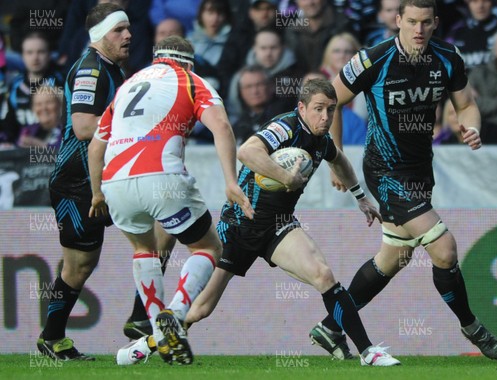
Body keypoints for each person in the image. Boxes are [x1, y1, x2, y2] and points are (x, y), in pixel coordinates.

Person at [117, 78, 402, 366]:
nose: (325, 117)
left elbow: (339, 160)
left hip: (278, 225)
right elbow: (247, 151)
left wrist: (360, 196)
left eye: (330, 110)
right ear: (301, 107)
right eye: (318, 109)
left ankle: (368, 352)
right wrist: (285, 176)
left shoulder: (322, 140)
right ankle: (144, 345)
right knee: (200, 309)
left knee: (324, 275)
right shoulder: (285, 127)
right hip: (240, 225)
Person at [314, 0, 497, 360]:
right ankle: (472, 327)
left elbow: (465, 104)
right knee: (444, 248)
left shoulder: (448, 57)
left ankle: (331, 325)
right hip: (385, 170)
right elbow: (330, 100)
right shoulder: (373, 59)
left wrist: (473, 127)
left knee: (395, 257)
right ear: (398, 20)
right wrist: (335, 158)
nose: (419, 30)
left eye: (426, 23)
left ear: (436, 23)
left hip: (420, 170)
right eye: (412, 22)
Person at [88, 35, 253, 365]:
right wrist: (231, 181)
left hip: (114, 181)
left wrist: (96, 193)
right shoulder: (192, 81)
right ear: (189, 63)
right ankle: (176, 313)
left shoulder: (128, 86)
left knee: (143, 249)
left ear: (155, 59)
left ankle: (158, 334)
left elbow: (95, 147)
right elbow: (221, 125)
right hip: (162, 176)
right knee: (208, 248)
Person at [37, 3, 174, 361]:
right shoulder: (91, 70)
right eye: (119, 30)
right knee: (78, 266)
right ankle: (53, 337)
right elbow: (83, 127)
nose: (128, 35)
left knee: (169, 222)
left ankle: (141, 317)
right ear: (100, 36)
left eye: (129, 28)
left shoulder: (112, 69)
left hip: (112, 178)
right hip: (79, 183)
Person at [444, 0, 497, 70]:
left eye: (485, 1)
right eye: (475, 1)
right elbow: (445, 63)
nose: (480, 6)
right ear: (467, 3)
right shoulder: (455, 32)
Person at [17, 85, 63, 149]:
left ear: (59, 104)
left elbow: (65, 152)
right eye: (38, 104)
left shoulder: (67, 131)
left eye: (49, 102)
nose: (43, 108)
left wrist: (38, 144)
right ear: (33, 108)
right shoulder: (27, 130)